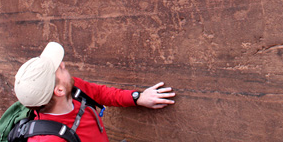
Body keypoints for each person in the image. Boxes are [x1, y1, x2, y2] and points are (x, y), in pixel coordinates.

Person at [13, 41, 175, 141]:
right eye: (58, 69)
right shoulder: (49, 140)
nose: (62, 64)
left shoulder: (74, 90)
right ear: (59, 90)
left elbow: (99, 93)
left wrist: (137, 97)